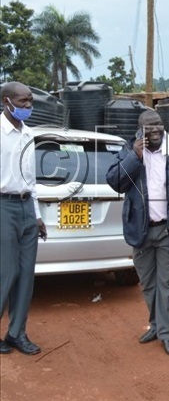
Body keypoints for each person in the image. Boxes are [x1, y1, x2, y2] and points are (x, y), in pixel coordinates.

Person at [106, 110, 169, 356]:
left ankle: (168, 333)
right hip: (141, 229)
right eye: (149, 126)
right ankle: (156, 325)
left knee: (168, 284)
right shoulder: (130, 151)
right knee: (148, 283)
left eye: (158, 124)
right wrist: (135, 157)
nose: (155, 129)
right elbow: (115, 182)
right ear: (140, 130)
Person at [0, 82, 47, 356]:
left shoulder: (29, 134)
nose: (28, 106)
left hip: (27, 207)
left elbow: (32, 180)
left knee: (26, 275)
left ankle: (17, 333)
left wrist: (38, 216)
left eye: (30, 101)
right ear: (6, 102)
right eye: (23, 102)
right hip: (3, 207)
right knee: (6, 274)